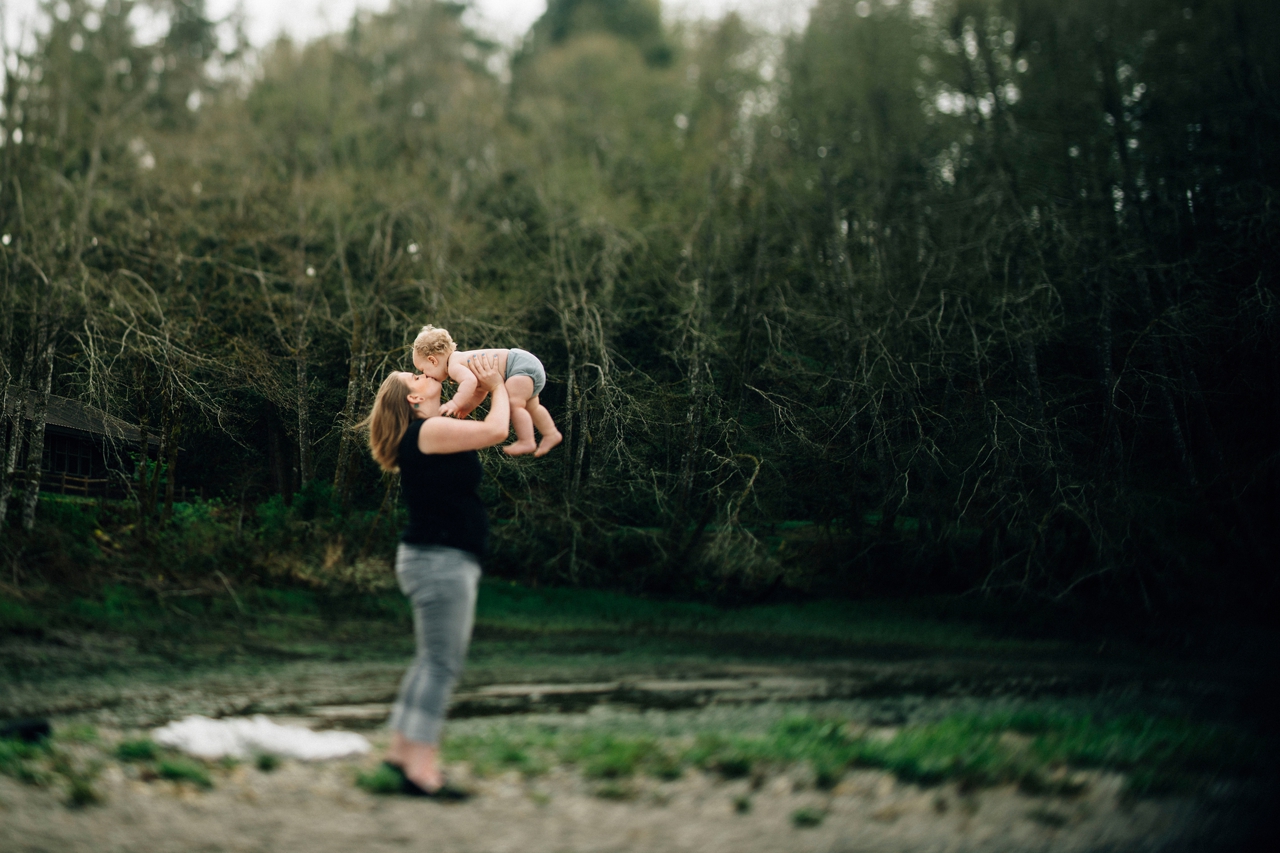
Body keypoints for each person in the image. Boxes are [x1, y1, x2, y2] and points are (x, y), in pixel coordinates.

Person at [361, 354, 510, 797]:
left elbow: (470, 418)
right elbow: (497, 431)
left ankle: (400, 753)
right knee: (443, 663)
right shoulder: (427, 431)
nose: (426, 374)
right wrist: (500, 388)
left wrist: (479, 390)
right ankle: (421, 771)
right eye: (417, 374)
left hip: (433, 558)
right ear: (412, 396)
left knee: (430, 661)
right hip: (440, 560)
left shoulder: (431, 430)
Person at [412, 325, 563, 457]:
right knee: (532, 406)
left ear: (433, 360)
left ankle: (527, 440)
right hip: (526, 363)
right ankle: (550, 433)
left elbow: (469, 382)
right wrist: (468, 406)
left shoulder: (453, 365)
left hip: (517, 367)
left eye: (423, 370)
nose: (425, 375)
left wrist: (455, 403)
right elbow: (480, 390)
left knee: (513, 403)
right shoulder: (461, 360)